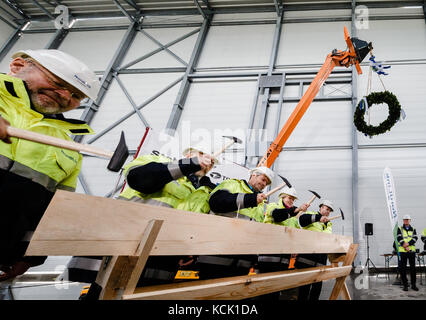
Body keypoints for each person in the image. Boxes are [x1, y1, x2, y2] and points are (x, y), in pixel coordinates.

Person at [0, 49, 100, 282]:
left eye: (76, 95)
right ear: (17, 66)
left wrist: (29, 258)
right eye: (57, 82)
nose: (65, 96)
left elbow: (54, 211)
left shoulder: (66, 145)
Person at [77, 143, 216, 299]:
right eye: (203, 154)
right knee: (105, 292)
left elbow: (195, 225)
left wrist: (190, 252)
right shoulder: (157, 161)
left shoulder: (206, 191)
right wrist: (189, 165)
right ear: (189, 154)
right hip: (127, 243)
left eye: (212, 161)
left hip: (162, 258)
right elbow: (139, 179)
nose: (209, 161)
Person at [197, 166, 273, 280]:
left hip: (242, 261)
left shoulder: (261, 205)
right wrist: (250, 199)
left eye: (266, 183)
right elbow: (216, 202)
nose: (264, 184)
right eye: (263, 179)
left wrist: (253, 257)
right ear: (253, 175)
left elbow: (255, 232)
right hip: (216, 255)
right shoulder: (232, 184)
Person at [295, 200, 333, 301]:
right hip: (306, 259)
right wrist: (318, 218)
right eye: (326, 208)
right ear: (320, 208)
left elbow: (327, 238)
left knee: (317, 289)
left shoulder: (328, 224)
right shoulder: (311, 214)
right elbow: (302, 220)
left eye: (329, 210)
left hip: (320, 261)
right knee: (304, 289)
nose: (328, 211)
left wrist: (325, 223)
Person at [397, 214, 419, 291]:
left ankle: (413, 285)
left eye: (407, 219)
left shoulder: (413, 229)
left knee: (413, 269)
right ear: (403, 220)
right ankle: (405, 285)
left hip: (411, 251)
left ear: (410, 220)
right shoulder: (400, 228)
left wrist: (408, 244)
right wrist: (405, 246)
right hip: (403, 252)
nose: (406, 221)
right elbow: (398, 237)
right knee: (403, 269)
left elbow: (415, 238)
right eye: (405, 219)